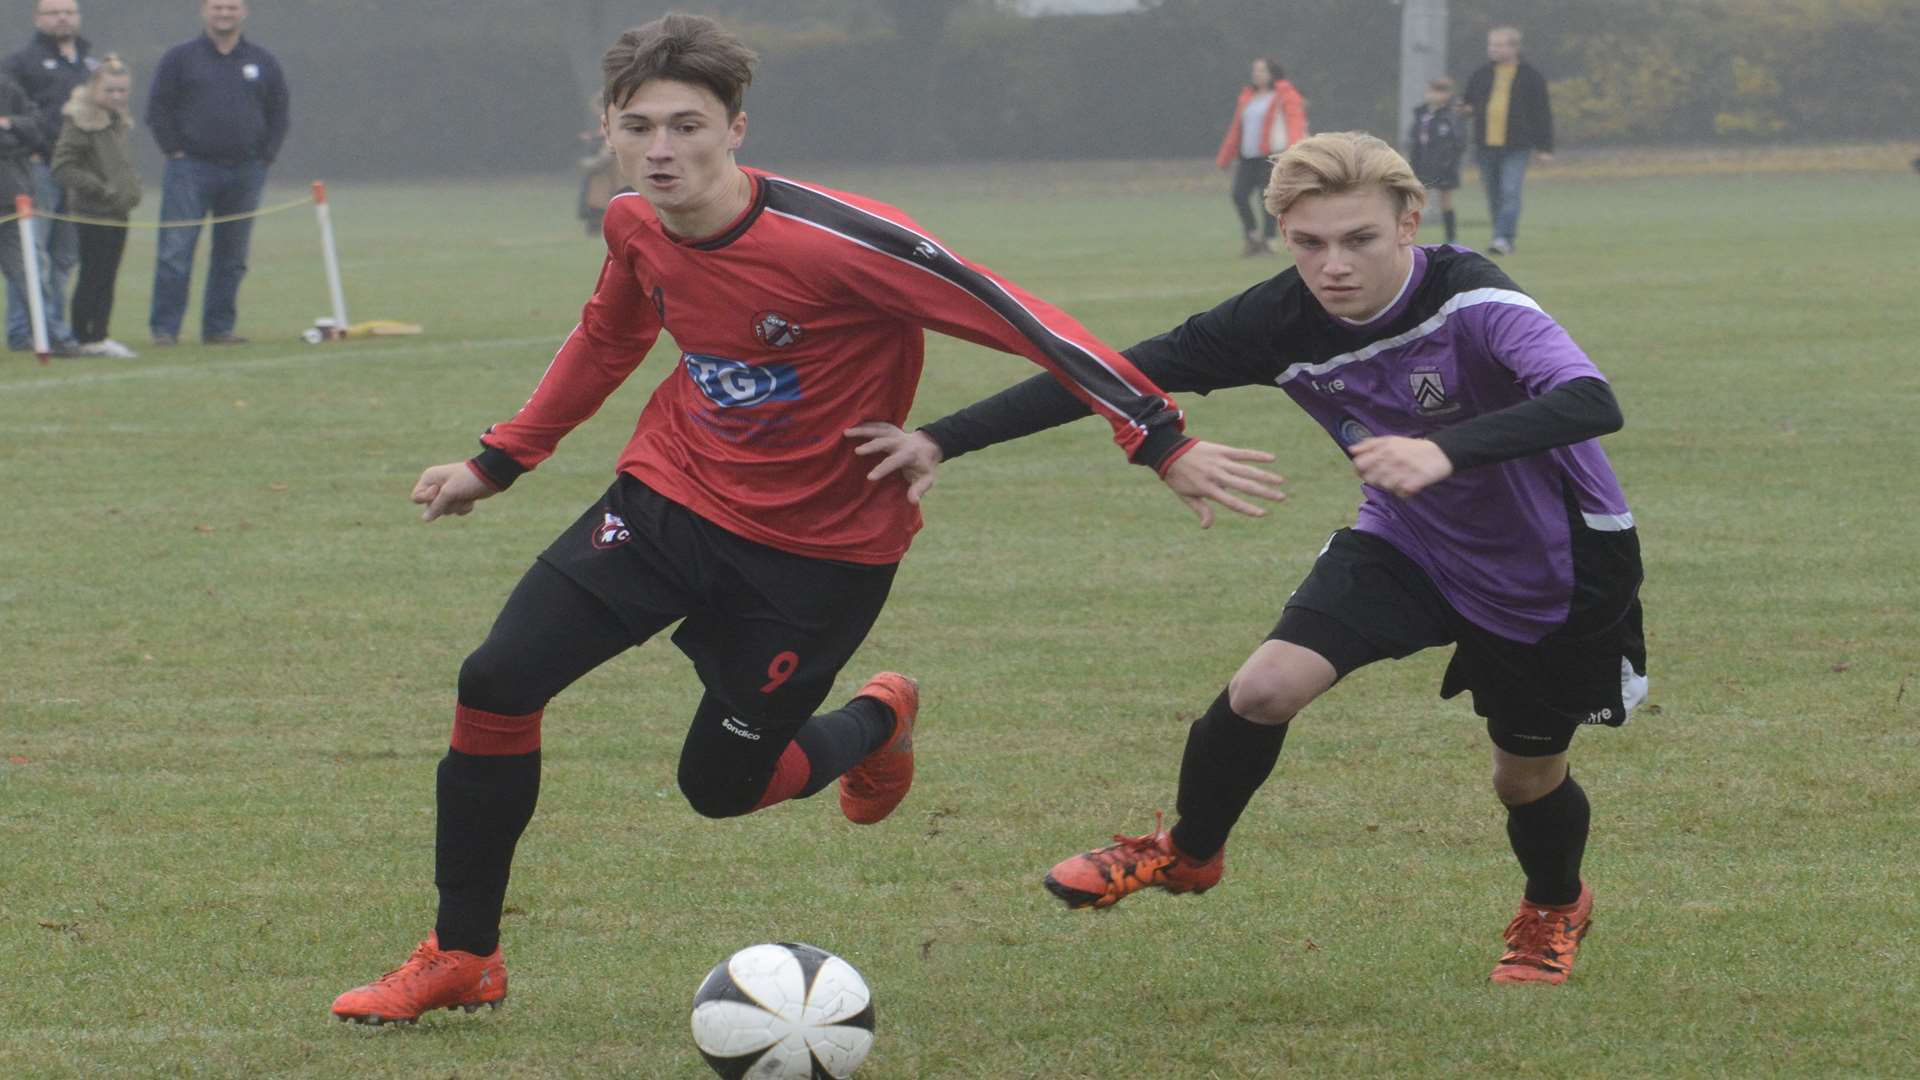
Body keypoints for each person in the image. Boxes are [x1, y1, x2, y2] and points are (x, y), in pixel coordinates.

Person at [328, 13, 1285, 1026]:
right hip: (667, 499)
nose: (663, 150)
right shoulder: (633, 224)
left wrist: (1158, 436)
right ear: (606, 127)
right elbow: (608, 340)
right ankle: (464, 955)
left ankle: (879, 718)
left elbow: (1018, 316)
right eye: (640, 126)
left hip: (818, 558)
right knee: (497, 680)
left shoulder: (841, 240)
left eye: (689, 126)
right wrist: (501, 459)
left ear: (736, 127)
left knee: (722, 786)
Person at [853, 132, 1646, 986]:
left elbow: (1589, 399)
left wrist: (1445, 451)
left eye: (1359, 240)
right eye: (1308, 244)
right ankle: (1188, 852)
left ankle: (1554, 905)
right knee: (1264, 688)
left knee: (1523, 778)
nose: (1332, 265)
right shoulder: (1276, 320)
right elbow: (1116, 374)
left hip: (1555, 568)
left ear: (1409, 222)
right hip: (1409, 540)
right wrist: (940, 437)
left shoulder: (1475, 301)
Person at [144, 0, 288, 347]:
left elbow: (279, 111)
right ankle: (165, 330)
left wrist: (266, 156)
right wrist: (173, 151)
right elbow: (158, 107)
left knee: (232, 256)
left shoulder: (262, 61)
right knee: (175, 252)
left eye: (231, 7)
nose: (224, 13)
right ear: (204, 11)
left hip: (245, 171)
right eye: (217, 7)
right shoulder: (180, 58)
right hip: (190, 169)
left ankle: (219, 329)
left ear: (244, 12)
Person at [1, 0, 88, 356]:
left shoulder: (87, 61)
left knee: (48, 263)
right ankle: (26, 333)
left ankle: (51, 335)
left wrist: (9, 128)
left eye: (69, 11)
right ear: (38, 19)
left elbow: (31, 125)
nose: (62, 18)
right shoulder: (21, 63)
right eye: (54, 12)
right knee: (34, 259)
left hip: (41, 179)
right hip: (34, 174)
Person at [50, 53, 136, 357]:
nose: (116, 96)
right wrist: (100, 189)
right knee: (93, 274)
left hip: (117, 211)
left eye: (122, 90)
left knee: (108, 273)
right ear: (93, 89)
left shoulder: (116, 120)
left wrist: (126, 192)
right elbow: (62, 167)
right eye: (109, 90)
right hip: (93, 212)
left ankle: (100, 333)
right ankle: (85, 334)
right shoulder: (80, 121)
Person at [1462, 26, 1552, 255]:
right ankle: (1499, 236)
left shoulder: (1530, 76)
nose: (1493, 49)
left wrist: (1545, 147)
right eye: (1491, 45)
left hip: (1517, 146)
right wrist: (1464, 109)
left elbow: (1542, 113)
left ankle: (1503, 238)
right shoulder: (1481, 74)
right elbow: (1468, 102)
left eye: (1499, 45)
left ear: (1514, 47)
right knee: (1494, 194)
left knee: (1510, 191)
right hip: (1485, 146)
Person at [1215, 57, 1306, 257]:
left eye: (1261, 70)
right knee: (1238, 195)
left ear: (1272, 73)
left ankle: (1268, 241)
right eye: (1255, 70)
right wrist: (1225, 156)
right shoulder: (1248, 96)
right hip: (1248, 156)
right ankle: (1252, 235)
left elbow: (1294, 124)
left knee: (1266, 199)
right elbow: (1236, 128)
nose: (1256, 74)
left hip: (1272, 155)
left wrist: (1293, 153)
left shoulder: (1285, 95)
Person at [1406, 76, 1465, 244]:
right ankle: (1409, 236)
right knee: (1416, 200)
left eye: (1441, 91)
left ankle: (1451, 238)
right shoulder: (1421, 113)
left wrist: (1448, 161)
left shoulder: (1451, 116)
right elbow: (1415, 139)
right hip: (1422, 164)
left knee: (1445, 201)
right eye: (1432, 91)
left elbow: (1458, 142)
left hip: (1445, 166)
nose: (1435, 95)